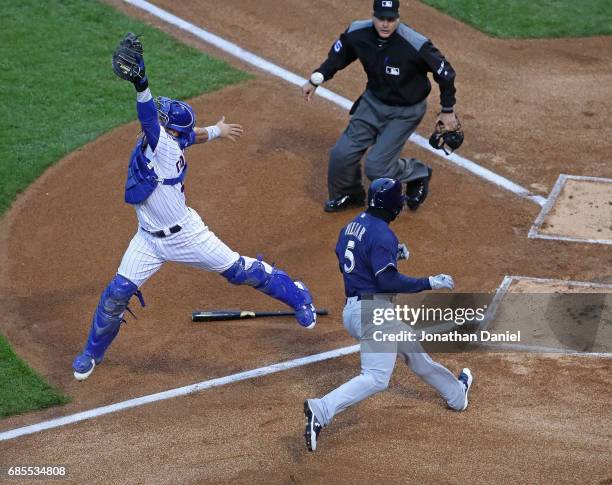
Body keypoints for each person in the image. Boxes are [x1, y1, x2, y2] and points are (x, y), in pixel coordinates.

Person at [72, 35, 317, 381]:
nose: (157, 121)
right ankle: (91, 353)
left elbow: (147, 118)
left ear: (168, 131)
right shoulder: (173, 139)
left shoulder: (164, 147)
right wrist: (217, 130)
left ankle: (298, 296)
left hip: (186, 235)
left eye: (162, 121)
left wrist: (141, 83)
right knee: (116, 294)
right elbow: (192, 135)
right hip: (147, 240)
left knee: (238, 270)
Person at [303, 178, 473, 452]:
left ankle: (456, 396)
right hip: (374, 312)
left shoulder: (352, 226)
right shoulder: (383, 235)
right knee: (376, 378)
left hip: (356, 310)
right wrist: (429, 282)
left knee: (416, 356)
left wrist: (393, 254)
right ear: (393, 206)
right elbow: (388, 282)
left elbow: (350, 257)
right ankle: (321, 410)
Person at [301, 0, 460, 213]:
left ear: (398, 18)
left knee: (376, 167)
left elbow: (445, 73)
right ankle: (349, 193)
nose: (385, 24)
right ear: (373, 16)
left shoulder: (414, 43)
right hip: (372, 103)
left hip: (406, 111)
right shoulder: (358, 32)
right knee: (341, 155)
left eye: (391, 19)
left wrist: (447, 110)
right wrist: (315, 80)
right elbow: (338, 56)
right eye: (381, 19)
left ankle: (417, 173)